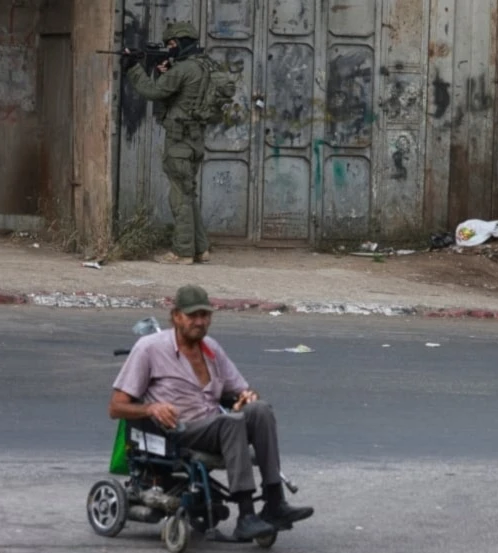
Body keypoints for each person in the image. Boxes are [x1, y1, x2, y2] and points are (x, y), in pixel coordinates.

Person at [108, 284, 314, 540]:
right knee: (231, 423)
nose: (199, 321)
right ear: (176, 316)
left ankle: (275, 502)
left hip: (217, 426)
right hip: (182, 430)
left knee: (260, 410)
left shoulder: (212, 349)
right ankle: (246, 515)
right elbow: (116, 407)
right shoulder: (149, 348)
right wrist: (152, 407)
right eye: (192, 315)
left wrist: (247, 398)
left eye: (204, 315)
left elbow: (242, 389)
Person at [122, 22, 223, 265]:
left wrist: (133, 67)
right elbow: (182, 94)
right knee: (188, 193)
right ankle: (200, 249)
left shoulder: (184, 69)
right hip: (195, 139)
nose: (169, 48)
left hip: (179, 141)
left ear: (180, 43)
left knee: (179, 197)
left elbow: (154, 92)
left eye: (171, 44)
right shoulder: (205, 65)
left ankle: (182, 252)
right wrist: (165, 70)